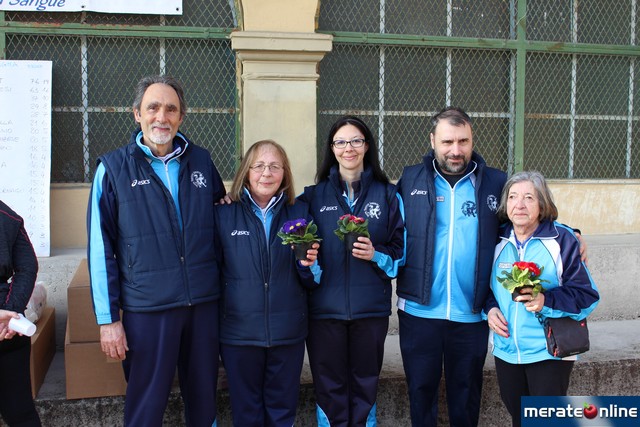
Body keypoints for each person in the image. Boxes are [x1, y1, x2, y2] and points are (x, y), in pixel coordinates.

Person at [87, 75, 225, 426]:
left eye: (171, 109)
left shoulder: (202, 161)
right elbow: (100, 249)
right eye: (153, 108)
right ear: (137, 114)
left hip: (203, 304)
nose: (161, 117)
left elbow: (221, 221)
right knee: (146, 407)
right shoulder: (113, 169)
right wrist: (108, 320)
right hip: (148, 309)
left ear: (181, 117)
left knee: (204, 402)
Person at [396, 106, 506, 427]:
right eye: (447, 142)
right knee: (420, 394)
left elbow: (529, 217)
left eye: (463, 141)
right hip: (419, 312)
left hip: (472, 312)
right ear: (432, 140)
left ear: (472, 140)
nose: (455, 150)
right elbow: (382, 223)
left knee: (466, 397)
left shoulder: (496, 182)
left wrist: (570, 233)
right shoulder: (410, 179)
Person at [298, 115, 404, 426]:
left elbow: (401, 255)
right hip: (324, 312)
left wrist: (375, 254)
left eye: (356, 141)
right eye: (341, 142)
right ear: (332, 149)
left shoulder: (388, 195)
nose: (349, 148)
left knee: (364, 387)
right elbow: (303, 259)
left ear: (367, 146)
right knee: (329, 389)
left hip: (370, 311)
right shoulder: (312, 197)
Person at [214, 139, 319, 427]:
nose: (266, 173)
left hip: (287, 333)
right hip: (239, 334)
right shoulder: (223, 214)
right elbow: (212, 273)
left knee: (282, 412)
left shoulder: (300, 213)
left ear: (285, 173)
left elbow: (313, 278)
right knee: (246, 413)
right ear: (246, 172)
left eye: (275, 166)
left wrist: (309, 265)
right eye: (258, 166)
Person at [484, 171, 599, 427]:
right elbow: (486, 288)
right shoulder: (495, 239)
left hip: (549, 351)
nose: (519, 205)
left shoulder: (562, 240)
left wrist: (545, 301)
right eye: (512, 197)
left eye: (529, 197)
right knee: (519, 418)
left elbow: (587, 296)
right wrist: (490, 310)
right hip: (507, 351)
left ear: (542, 204)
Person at [0, 200, 42, 427]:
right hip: (10, 326)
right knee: (21, 414)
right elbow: (27, 267)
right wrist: (11, 311)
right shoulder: (8, 215)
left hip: (8, 326)